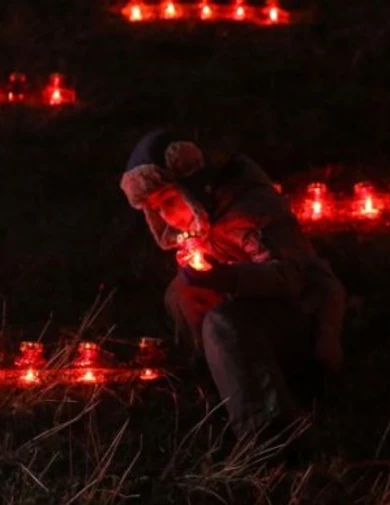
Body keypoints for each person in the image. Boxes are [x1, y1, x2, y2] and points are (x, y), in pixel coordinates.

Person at [120, 129, 346, 441]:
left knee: (223, 324)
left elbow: (292, 277)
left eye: (171, 199)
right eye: (157, 208)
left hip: (304, 317)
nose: (168, 214)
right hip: (254, 317)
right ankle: (217, 389)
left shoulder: (250, 209)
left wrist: (226, 277)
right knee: (181, 292)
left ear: (193, 183)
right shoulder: (201, 222)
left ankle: (271, 435)